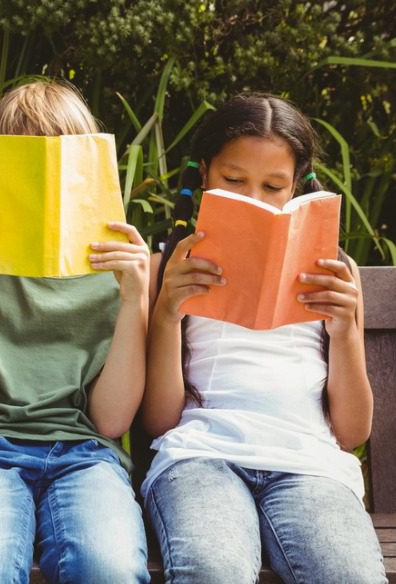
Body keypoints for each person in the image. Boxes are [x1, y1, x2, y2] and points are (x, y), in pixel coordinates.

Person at [141, 93, 386, 583]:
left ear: (296, 186)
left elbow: (352, 432)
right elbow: (159, 421)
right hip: (201, 458)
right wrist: (167, 313)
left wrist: (343, 331)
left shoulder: (335, 274)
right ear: (205, 173)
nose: (253, 199)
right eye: (233, 181)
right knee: (213, 570)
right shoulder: (167, 268)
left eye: (273, 186)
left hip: (308, 464)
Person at [0, 80, 150, 584]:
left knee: (110, 568)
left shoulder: (115, 269)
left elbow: (111, 420)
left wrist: (135, 299)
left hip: (86, 454)